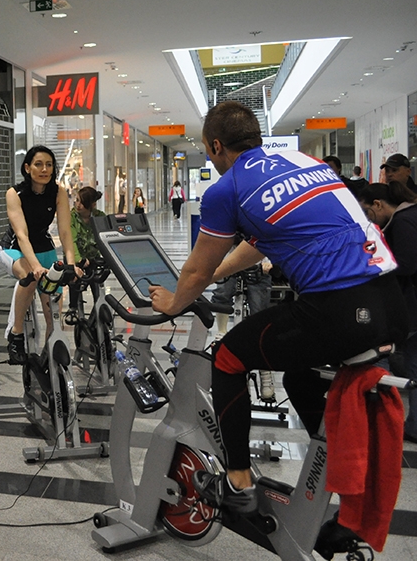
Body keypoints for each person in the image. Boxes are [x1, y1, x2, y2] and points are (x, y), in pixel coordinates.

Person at [147, 100, 407, 515]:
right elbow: (259, 241)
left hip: (337, 309)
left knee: (228, 358)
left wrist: (175, 301)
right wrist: (213, 277)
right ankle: (334, 488)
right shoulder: (303, 162)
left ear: (215, 147)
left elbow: (194, 270)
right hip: (391, 301)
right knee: (300, 381)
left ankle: (237, 481)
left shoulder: (228, 188)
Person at [0, 145, 83, 364]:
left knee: (53, 312)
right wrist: (35, 266)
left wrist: (70, 265)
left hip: (44, 248)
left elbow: (65, 231)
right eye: (38, 164)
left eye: (49, 164)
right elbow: (21, 235)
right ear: (27, 168)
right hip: (14, 248)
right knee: (29, 277)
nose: (44, 169)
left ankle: (50, 357)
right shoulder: (14, 193)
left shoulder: (58, 191)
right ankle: (16, 334)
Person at [358, 182, 417, 443]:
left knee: (389, 360)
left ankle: (388, 426)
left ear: (378, 204)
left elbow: (406, 264)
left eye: (368, 211)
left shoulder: (403, 221)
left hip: (408, 304)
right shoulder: (410, 215)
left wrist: (373, 264)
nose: (369, 218)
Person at [65, 186, 106, 325]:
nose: (78, 205)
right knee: (74, 277)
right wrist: (78, 259)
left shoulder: (100, 217)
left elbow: (105, 238)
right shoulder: (72, 217)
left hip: (93, 256)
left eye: (82, 202)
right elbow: (71, 240)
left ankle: (99, 307)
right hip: (76, 255)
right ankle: (73, 307)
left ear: (92, 205)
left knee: (97, 281)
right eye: (77, 200)